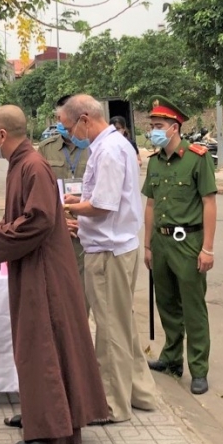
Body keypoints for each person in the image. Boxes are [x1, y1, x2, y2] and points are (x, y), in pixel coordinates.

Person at [0, 105, 109, 444]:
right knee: (33, 343)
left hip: (44, 269)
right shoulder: (24, 163)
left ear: (0, 136)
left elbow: (35, 221)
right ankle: (42, 411)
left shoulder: (32, 166)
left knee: (42, 345)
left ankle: (49, 432)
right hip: (34, 263)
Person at [59, 94, 158, 423]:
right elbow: (99, 197)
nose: (69, 133)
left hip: (108, 250)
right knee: (123, 323)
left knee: (110, 328)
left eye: (69, 126)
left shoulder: (110, 149)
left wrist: (69, 207)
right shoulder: (110, 145)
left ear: (85, 119)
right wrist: (79, 199)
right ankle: (140, 392)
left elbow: (103, 205)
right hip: (113, 245)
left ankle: (113, 405)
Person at [141, 97, 217, 396]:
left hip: (188, 242)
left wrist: (207, 248)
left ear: (174, 128)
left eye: (158, 126)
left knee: (193, 308)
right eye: (152, 127)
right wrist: (147, 245)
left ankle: (198, 369)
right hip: (160, 242)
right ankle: (172, 358)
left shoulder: (197, 158)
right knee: (167, 304)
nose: (154, 131)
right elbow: (149, 204)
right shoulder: (155, 162)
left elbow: (209, 203)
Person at [40, 95, 89, 311]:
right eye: (57, 119)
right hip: (58, 231)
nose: (60, 124)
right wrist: (59, 220)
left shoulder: (97, 147)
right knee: (57, 295)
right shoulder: (46, 149)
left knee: (87, 296)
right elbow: (39, 191)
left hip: (91, 231)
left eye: (63, 119)